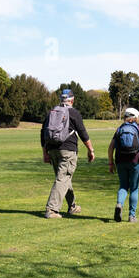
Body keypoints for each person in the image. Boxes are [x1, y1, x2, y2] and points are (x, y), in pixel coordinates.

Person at [41, 89, 94, 219]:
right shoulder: (74, 113)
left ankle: (72, 206)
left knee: (64, 178)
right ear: (72, 99)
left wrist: (45, 153)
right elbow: (83, 133)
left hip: (52, 150)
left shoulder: (52, 112)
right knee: (63, 178)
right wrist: (90, 150)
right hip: (68, 151)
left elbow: (43, 133)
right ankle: (51, 209)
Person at [108, 107, 139, 223]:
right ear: (136, 118)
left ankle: (119, 204)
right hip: (135, 161)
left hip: (120, 161)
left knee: (123, 186)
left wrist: (111, 163)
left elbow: (111, 147)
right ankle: (132, 216)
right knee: (134, 188)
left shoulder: (119, 129)